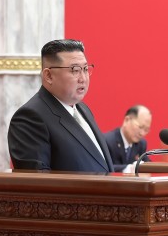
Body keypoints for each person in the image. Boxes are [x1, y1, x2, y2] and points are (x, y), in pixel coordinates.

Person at [7, 39, 114, 173]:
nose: (83, 78)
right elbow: (38, 181)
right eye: (75, 70)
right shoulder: (30, 118)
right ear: (49, 76)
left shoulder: (83, 109)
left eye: (85, 69)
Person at [103, 105, 152, 172]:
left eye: (146, 130)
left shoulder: (141, 144)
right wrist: (129, 168)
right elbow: (104, 167)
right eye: (140, 127)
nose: (142, 133)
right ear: (127, 120)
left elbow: (146, 163)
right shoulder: (107, 141)